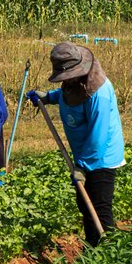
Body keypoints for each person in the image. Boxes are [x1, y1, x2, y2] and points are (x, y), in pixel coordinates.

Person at [27, 43, 124, 247]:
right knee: (84, 203)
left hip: (102, 156)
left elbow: (98, 137)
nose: (67, 80)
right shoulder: (75, 83)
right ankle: (93, 247)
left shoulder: (99, 93)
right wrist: (49, 97)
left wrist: (83, 166)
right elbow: (68, 95)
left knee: (98, 207)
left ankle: (108, 251)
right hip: (84, 153)